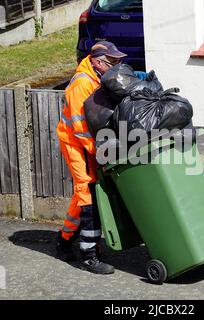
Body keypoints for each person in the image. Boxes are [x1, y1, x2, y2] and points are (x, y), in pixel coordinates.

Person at [56, 41, 136, 274]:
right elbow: (80, 127)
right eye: (113, 61)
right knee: (88, 195)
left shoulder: (97, 78)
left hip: (88, 144)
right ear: (98, 62)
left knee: (82, 196)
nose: (117, 65)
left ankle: (64, 240)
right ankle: (89, 255)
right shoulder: (81, 83)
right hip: (77, 144)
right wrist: (99, 151)